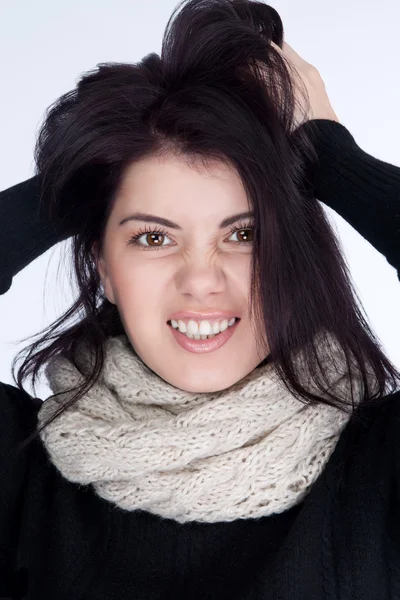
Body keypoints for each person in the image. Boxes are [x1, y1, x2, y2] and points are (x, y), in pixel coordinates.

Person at [1, 1, 400, 598]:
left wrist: (331, 158)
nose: (201, 280)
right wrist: (76, 179)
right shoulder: (22, 474)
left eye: (244, 233)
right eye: (153, 237)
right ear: (102, 266)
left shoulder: (380, 467)